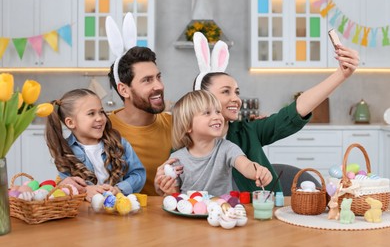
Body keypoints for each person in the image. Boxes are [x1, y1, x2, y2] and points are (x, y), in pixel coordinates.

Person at [156, 32, 360, 195]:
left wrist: (340, 75)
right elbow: (174, 190)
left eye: (237, 92)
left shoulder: (248, 131)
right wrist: (166, 185)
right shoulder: (182, 149)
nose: (236, 99)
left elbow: (294, 111)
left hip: (258, 214)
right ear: (201, 98)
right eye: (226, 92)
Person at [162, 90, 272, 196]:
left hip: (221, 212)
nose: (217, 117)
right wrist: (168, 190)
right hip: (188, 213)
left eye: (218, 111)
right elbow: (174, 195)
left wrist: (258, 171)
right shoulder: (176, 159)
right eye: (207, 113)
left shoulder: (227, 148)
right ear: (188, 126)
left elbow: (246, 165)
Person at [45, 88, 146, 202]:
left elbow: (138, 174)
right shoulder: (65, 152)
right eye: (91, 113)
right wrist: (85, 190)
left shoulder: (119, 143)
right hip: (85, 213)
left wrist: (119, 189)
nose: (100, 118)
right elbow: (67, 187)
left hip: (119, 209)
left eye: (101, 111)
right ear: (71, 122)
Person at [107, 47, 172, 196]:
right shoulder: (102, 128)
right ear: (124, 90)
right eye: (147, 80)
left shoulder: (176, 125)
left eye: (158, 77)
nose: (159, 86)